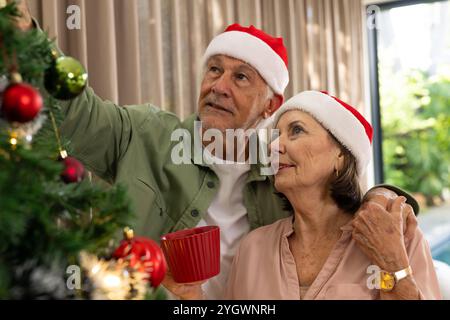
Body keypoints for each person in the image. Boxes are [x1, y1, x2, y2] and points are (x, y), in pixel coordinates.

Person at [11, 0, 420, 300]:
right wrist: (30, 39)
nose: (219, 86)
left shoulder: (286, 170)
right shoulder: (146, 134)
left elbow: (343, 195)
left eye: (241, 77)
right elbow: (77, 114)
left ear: (271, 105)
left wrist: (386, 195)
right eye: (214, 69)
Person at [224, 91, 441, 300]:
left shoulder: (398, 238)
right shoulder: (252, 250)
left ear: (341, 154)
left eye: (296, 130)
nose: (273, 146)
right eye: (276, 136)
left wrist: (392, 265)